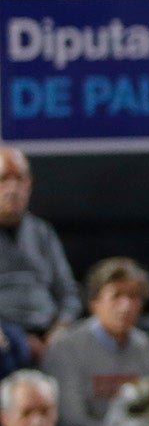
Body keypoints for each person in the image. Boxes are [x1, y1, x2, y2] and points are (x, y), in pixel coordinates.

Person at [41, 258, 149, 426]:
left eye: (133, 297)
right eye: (117, 296)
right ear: (95, 303)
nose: (126, 306)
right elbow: (71, 422)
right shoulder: (66, 349)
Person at [0, 149, 81, 354]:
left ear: (30, 183)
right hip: (5, 338)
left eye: (20, 179)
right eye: (3, 179)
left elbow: (69, 293)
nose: (13, 188)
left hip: (48, 334)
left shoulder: (42, 232)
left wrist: (61, 327)